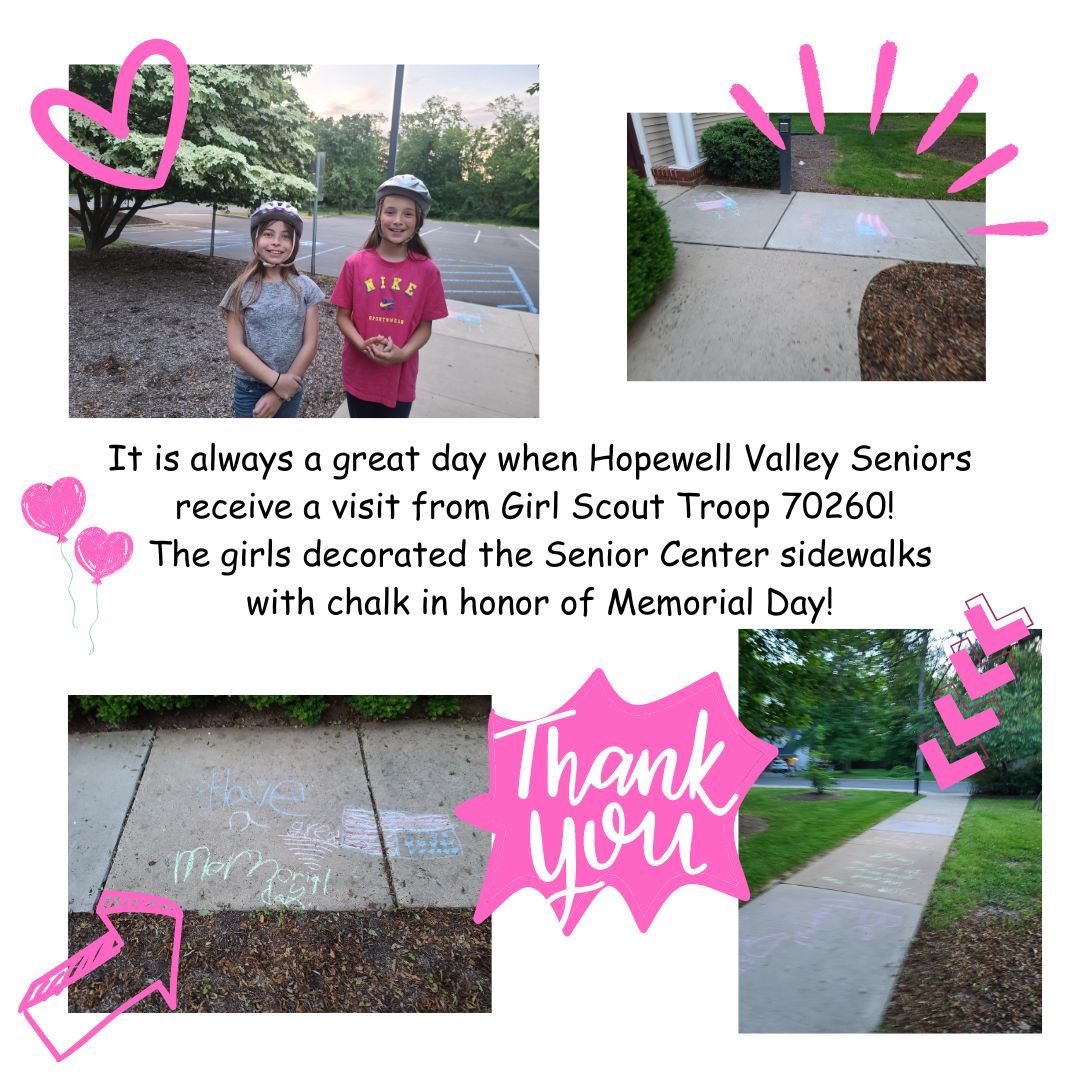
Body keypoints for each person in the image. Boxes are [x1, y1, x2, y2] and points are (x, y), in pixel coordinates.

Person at [331, 175, 448, 418]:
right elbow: (343, 317)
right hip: (360, 375)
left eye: (408, 213)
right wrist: (361, 344)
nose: (397, 220)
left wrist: (404, 353)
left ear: (418, 221)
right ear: (378, 216)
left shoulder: (428, 271)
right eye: (390, 212)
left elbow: (425, 327)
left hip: (400, 381)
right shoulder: (355, 263)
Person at [220, 201, 324, 418]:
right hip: (250, 387)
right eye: (268, 234)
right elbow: (235, 347)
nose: (276, 242)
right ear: (256, 239)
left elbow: (310, 343)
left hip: (291, 385)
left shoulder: (306, 288)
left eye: (285, 236)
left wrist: (281, 391)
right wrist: (276, 382)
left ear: (294, 243)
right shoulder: (241, 288)